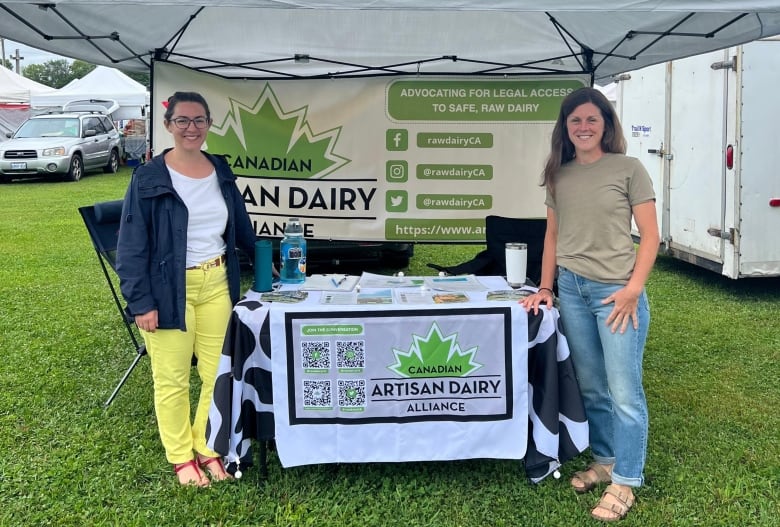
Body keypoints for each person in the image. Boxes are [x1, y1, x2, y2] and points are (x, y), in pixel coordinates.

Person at [521, 87, 659, 521]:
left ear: (606, 126)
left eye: (591, 120)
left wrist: (634, 288)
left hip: (616, 295)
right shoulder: (559, 174)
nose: (583, 127)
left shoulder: (629, 169)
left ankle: (627, 480)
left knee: (624, 393)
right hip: (574, 293)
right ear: (565, 127)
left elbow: (651, 236)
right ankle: (605, 460)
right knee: (594, 387)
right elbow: (553, 237)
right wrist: (546, 287)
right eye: (575, 121)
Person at [116, 91, 257, 487]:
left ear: (209, 125)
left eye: (199, 121)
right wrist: (140, 302)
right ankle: (181, 458)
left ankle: (208, 446)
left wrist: (270, 261)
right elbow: (131, 246)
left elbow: (241, 228)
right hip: (166, 288)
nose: (191, 128)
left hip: (216, 282)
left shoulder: (220, 170)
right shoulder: (149, 177)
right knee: (173, 378)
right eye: (183, 121)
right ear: (168, 126)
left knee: (218, 373)